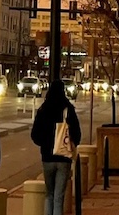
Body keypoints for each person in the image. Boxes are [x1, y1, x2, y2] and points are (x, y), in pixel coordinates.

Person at [30, 80, 82, 215]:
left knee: (49, 194)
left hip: (47, 157)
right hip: (64, 157)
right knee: (59, 196)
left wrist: (45, 144)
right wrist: (71, 143)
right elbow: (77, 133)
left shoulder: (43, 109)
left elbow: (35, 134)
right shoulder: (67, 109)